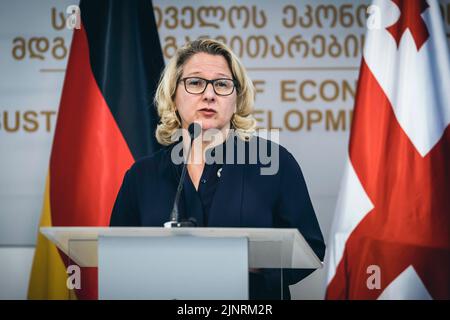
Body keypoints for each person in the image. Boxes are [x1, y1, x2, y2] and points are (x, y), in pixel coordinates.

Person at [110, 39, 325, 299]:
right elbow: (117, 257)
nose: (209, 94)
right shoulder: (141, 176)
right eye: (195, 82)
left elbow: (311, 248)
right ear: (173, 95)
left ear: (237, 98)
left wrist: (245, 264)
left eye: (222, 84)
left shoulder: (274, 163)